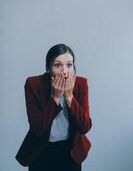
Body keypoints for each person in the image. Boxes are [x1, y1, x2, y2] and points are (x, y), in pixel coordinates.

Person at [15, 43, 92, 171]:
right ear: (48, 68)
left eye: (69, 65)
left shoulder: (81, 84)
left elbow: (85, 127)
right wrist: (56, 97)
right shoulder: (33, 84)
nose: (64, 71)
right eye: (57, 65)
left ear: (74, 67)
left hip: (71, 150)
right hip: (40, 151)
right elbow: (37, 128)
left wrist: (69, 97)